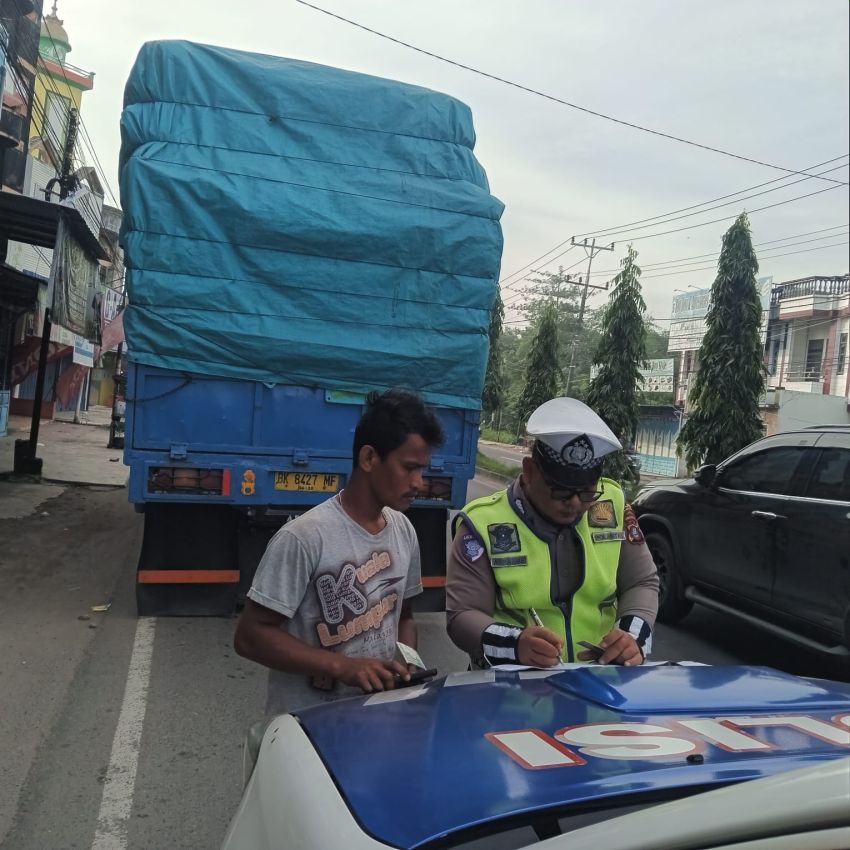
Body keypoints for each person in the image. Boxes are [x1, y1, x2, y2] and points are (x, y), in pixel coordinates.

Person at [235, 388, 444, 715]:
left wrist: (407, 666)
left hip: (376, 720)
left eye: (423, 470)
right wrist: (341, 666)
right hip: (307, 730)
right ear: (369, 458)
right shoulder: (304, 537)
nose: (419, 482)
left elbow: (404, 617)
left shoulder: (404, 531)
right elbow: (250, 636)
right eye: (408, 468)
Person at [446, 397, 659, 669]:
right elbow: (462, 615)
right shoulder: (482, 523)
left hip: (597, 683)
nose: (573, 503)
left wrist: (631, 637)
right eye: (560, 491)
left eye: (586, 493)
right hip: (509, 688)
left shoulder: (611, 505)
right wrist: (515, 643)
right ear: (529, 471)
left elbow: (641, 582)